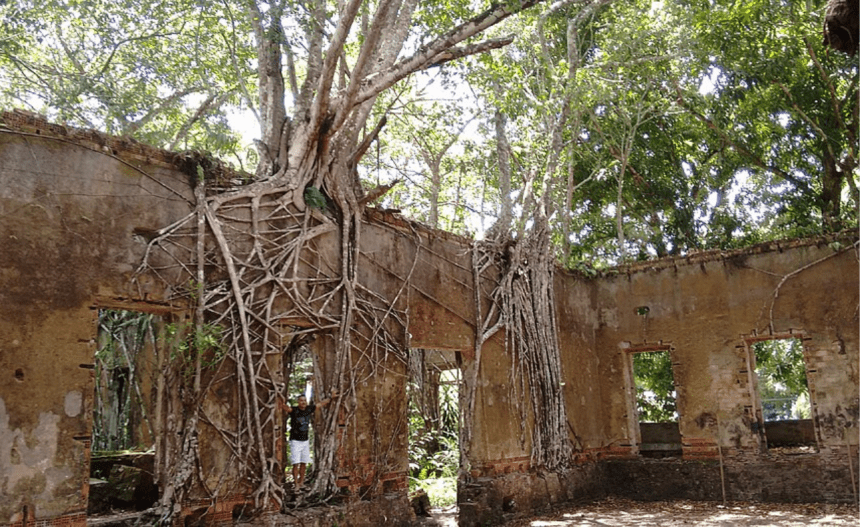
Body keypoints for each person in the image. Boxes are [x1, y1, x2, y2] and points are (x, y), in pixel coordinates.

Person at [283, 391, 338, 489]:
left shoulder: (309, 409)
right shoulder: (294, 410)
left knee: (304, 462)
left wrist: (331, 397)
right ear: (298, 402)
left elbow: (321, 403)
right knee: (296, 463)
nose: (303, 402)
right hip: (295, 441)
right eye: (301, 401)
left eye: (304, 400)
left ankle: (301, 482)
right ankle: (296, 484)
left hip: (305, 440)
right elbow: (286, 408)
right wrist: (277, 397)